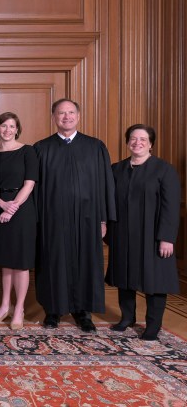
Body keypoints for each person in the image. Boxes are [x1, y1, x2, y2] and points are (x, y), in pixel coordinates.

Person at [34, 98, 115, 333]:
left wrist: (103, 219)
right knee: (52, 261)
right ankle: (53, 310)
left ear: (78, 116)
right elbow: (35, 188)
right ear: (54, 117)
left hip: (88, 218)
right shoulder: (42, 148)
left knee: (86, 262)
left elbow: (105, 185)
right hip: (52, 218)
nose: (66, 117)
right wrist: (37, 220)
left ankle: (83, 312)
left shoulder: (95, 146)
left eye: (70, 113)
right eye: (61, 113)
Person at [105, 124, 180, 341]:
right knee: (124, 276)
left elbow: (171, 207)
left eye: (143, 139)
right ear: (127, 141)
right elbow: (109, 201)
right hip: (123, 233)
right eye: (133, 139)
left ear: (151, 144)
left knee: (154, 280)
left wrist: (166, 238)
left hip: (152, 235)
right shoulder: (116, 169)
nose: (137, 143)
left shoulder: (164, 170)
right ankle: (127, 317)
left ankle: (152, 326)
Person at [0, 112, 38, 330]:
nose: (7, 130)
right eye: (3, 126)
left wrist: (12, 206)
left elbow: (30, 183)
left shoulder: (28, 151)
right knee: (6, 262)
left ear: (17, 129)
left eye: (12, 126)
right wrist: (1, 204)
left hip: (22, 210)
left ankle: (19, 309)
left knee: (21, 262)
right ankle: (4, 307)